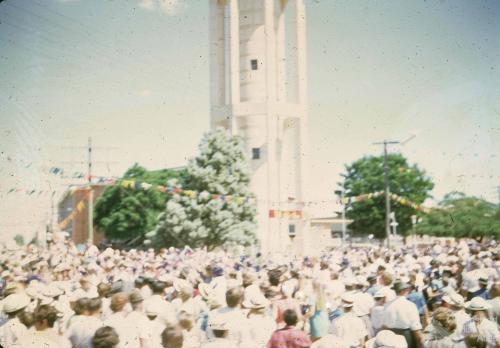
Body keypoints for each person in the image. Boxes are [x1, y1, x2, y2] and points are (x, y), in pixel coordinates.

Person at [382, 281, 423, 348]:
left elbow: (384, 325)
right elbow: (416, 328)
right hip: (405, 337)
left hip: (391, 337)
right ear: (405, 290)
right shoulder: (410, 305)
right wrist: (420, 343)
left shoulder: (387, 305)